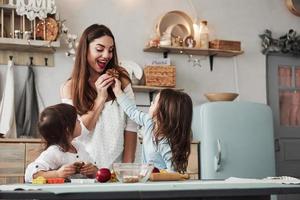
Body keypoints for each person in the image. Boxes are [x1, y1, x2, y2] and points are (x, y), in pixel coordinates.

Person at [60, 24, 137, 168]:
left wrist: (126, 169)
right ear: (85, 50)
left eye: (111, 50)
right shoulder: (69, 88)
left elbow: (131, 127)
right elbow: (74, 134)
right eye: (99, 49)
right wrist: (100, 99)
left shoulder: (122, 81)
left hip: (118, 170)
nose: (107, 55)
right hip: (84, 169)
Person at [112, 79, 193, 172]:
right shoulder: (149, 122)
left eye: (154, 102)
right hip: (147, 181)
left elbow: (173, 173)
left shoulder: (165, 143)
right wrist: (117, 91)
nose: (151, 104)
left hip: (160, 184)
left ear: (162, 112)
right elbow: (132, 111)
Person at [25, 103, 98, 182]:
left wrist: (93, 171)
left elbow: (96, 172)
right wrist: (57, 174)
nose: (80, 122)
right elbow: (30, 175)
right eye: (76, 120)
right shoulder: (54, 152)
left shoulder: (79, 146)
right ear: (67, 129)